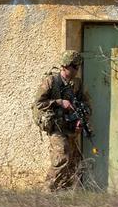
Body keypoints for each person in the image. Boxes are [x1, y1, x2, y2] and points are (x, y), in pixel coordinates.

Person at [33, 50, 92, 191]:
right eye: (75, 67)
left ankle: (65, 193)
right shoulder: (51, 81)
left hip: (70, 127)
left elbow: (86, 104)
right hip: (56, 127)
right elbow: (38, 104)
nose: (77, 70)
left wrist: (81, 121)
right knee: (62, 157)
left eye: (78, 67)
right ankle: (47, 190)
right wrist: (59, 102)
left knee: (75, 161)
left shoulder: (77, 84)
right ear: (65, 66)